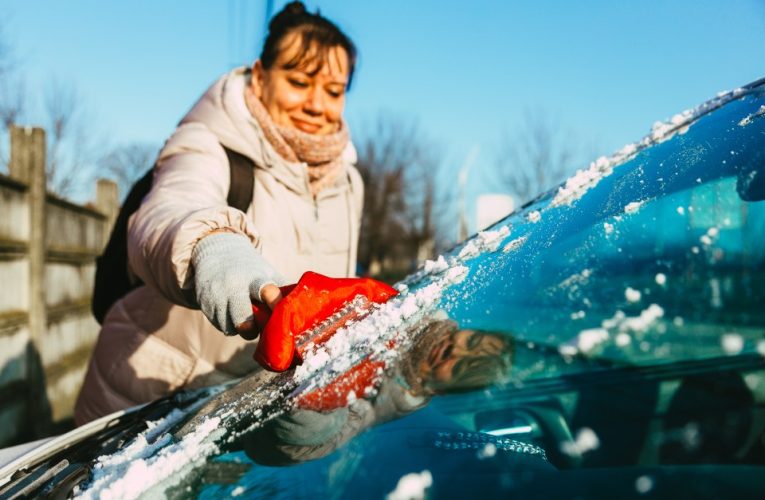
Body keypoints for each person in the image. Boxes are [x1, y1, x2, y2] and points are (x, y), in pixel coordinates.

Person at [75, 1, 362, 425]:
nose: (317, 105)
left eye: (334, 91)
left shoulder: (350, 185)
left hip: (254, 422)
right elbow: (174, 205)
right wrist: (216, 249)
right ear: (261, 76)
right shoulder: (209, 142)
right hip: (150, 410)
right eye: (299, 81)